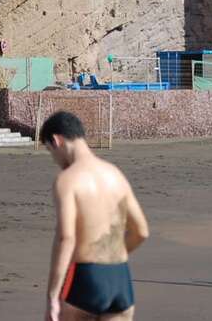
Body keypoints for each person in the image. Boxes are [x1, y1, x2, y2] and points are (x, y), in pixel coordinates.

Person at [42, 111, 149, 321]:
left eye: (50, 151)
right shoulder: (115, 174)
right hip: (120, 278)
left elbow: (67, 238)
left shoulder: (67, 180)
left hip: (86, 276)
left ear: (56, 141)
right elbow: (142, 231)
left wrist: (52, 296)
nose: (54, 160)